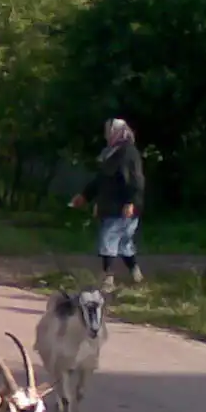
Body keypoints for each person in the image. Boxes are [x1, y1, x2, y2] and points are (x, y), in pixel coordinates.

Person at [70, 117, 145, 292]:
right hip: (110, 205)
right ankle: (135, 273)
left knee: (111, 239)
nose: (107, 134)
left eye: (110, 130)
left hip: (123, 206)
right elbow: (101, 180)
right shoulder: (110, 153)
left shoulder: (129, 153)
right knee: (122, 243)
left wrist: (130, 201)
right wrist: (85, 196)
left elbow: (136, 180)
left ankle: (108, 279)